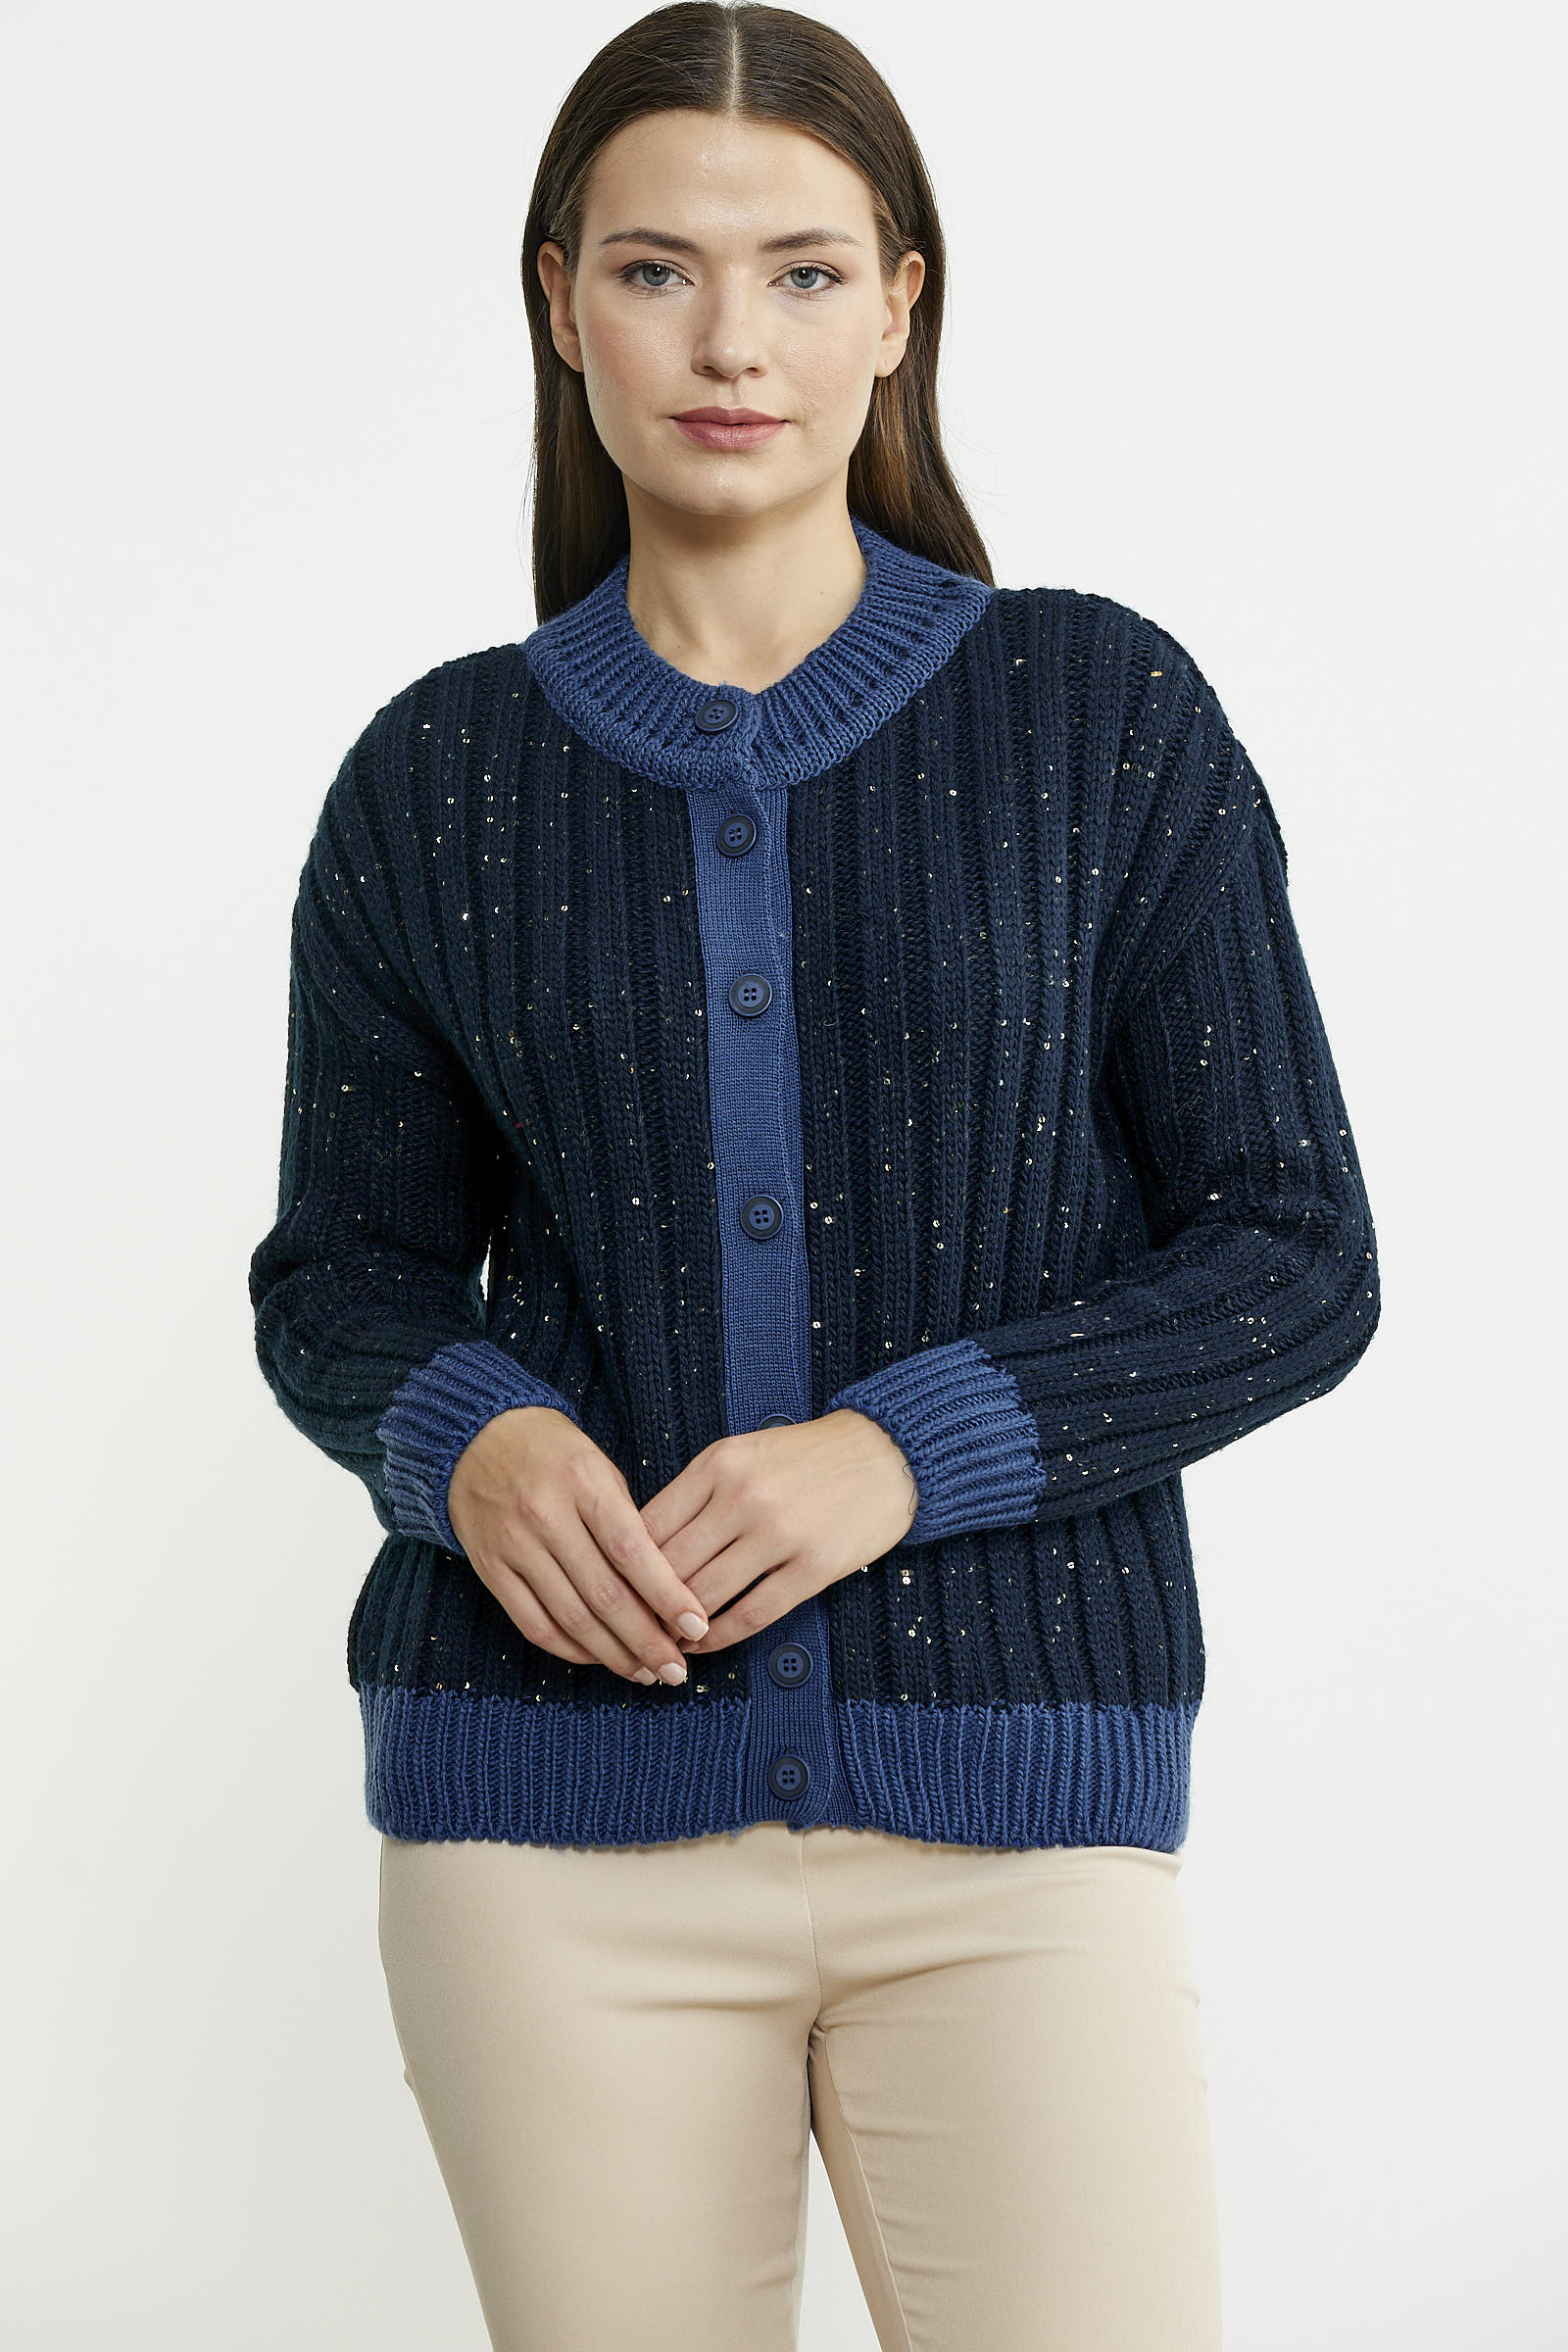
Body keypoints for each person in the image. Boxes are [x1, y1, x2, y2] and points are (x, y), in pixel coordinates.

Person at [247, 6, 1381, 2345]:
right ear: (559, 304)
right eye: (654, 271)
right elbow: (338, 1272)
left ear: (897, 306)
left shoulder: (1096, 717)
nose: (728, 341)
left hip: (1014, 1821)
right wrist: (469, 1438)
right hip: (542, 1833)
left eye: (798, 270)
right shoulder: (433, 781)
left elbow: (1289, 1250)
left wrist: (903, 1451)